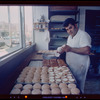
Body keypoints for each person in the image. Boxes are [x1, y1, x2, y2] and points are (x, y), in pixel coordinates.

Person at [57, 18, 91, 93]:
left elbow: (87, 50)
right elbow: (69, 47)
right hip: (72, 65)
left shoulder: (83, 35)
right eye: (67, 29)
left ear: (75, 26)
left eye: (70, 28)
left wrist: (70, 49)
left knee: (78, 87)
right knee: (72, 87)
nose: (69, 31)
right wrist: (63, 50)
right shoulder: (70, 37)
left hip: (80, 66)